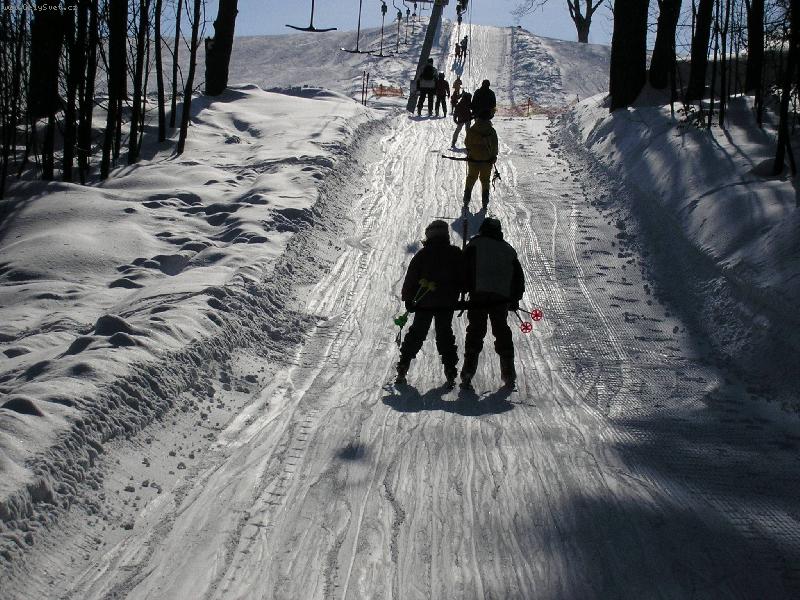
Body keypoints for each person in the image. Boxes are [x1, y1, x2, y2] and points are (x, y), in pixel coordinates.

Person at [397, 220, 465, 387]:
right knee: (445, 334)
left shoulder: (422, 255)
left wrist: (408, 299)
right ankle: (450, 369)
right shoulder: (455, 253)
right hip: (446, 302)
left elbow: (411, 277)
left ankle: (404, 364)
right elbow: (464, 277)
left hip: (423, 302)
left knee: (417, 332)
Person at [460, 217, 525, 390]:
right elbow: (518, 277)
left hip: (478, 294)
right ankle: (508, 372)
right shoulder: (508, 250)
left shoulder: (474, 244)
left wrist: (464, 287)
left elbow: (463, 268)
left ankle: (468, 371)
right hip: (501, 297)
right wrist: (514, 299)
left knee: (475, 330)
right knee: (501, 330)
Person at [463, 110, 497, 209]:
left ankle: (466, 198)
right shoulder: (491, 131)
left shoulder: (472, 130)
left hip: (473, 159)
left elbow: (467, 143)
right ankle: (485, 200)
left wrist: (471, 151)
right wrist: (494, 156)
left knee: (471, 177)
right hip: (487, 160)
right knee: (485, 180)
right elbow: (495, 146)